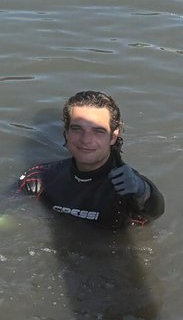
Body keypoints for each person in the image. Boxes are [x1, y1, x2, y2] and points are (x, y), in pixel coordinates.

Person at [19, 90, 164, 229]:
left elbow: (155, 212)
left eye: (98, 131)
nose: (86, 140)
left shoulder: (126, 185)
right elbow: (3, 210)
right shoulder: (39, 177)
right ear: (66, 133)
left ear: (113, 136)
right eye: (77, 129)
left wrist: (143, 190)